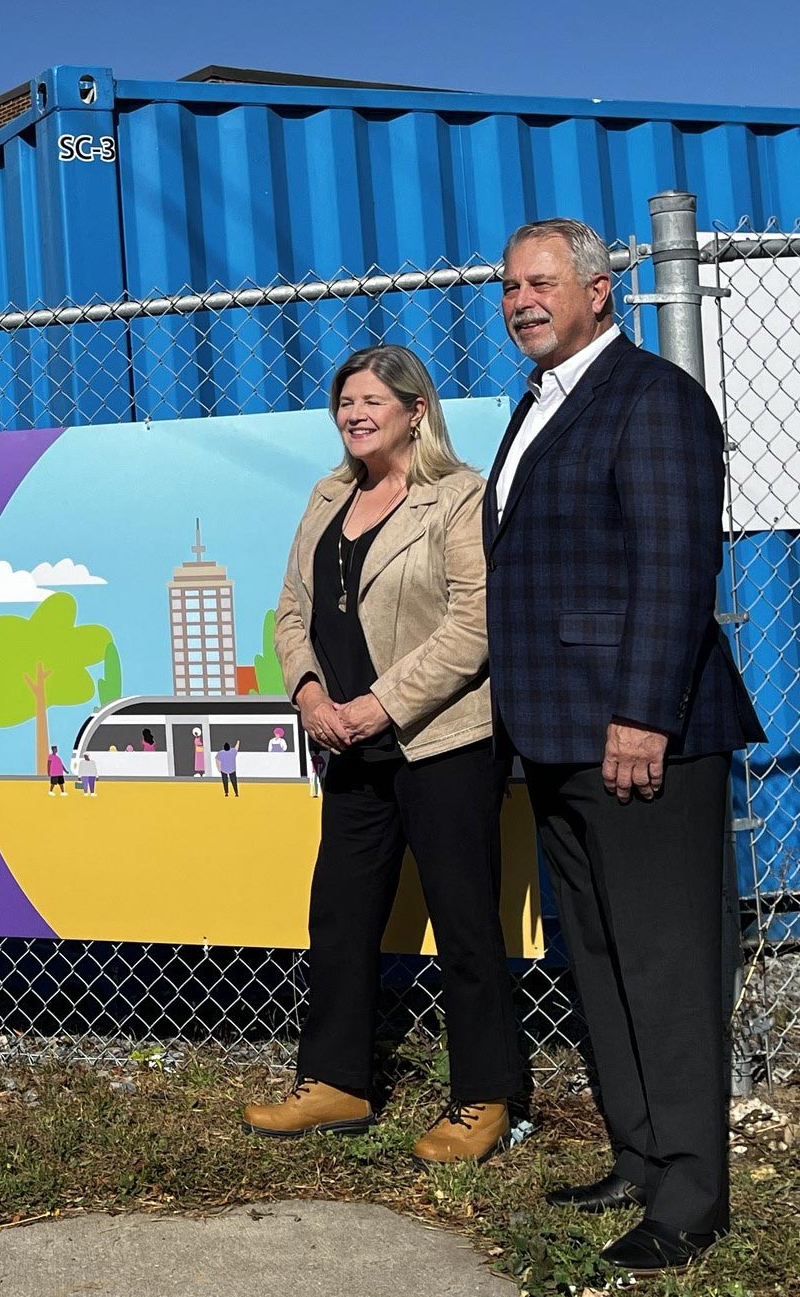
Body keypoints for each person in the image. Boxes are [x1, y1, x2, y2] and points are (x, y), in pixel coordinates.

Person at [487, 219, 761, 1271]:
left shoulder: (652, 397)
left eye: (542, 281)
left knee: (667, 963)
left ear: (601, 291)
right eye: (511, 285)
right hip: (555, 736)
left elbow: (675, 562)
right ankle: (640, 1154)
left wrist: (643, 710)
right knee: (596, 958)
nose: (522, 300)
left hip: (642, 736)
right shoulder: (540, 403)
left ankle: (692, 1195)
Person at [243, 343, 526, 1165]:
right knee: (340, 915)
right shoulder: (329, 494)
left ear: (414, 410)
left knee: (465, 924)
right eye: (345, 404)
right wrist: (308, 696)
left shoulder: (457, 495)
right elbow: (291, 609)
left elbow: (473, 626)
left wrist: (378, 705)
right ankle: (335, 1083)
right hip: (349, 746)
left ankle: (484, 1097)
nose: (356, 415)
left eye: (372, 401)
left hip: (441, 741)